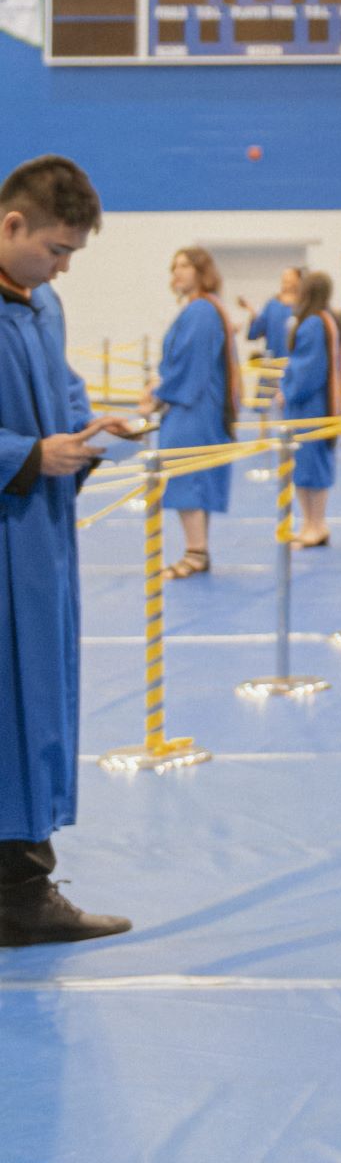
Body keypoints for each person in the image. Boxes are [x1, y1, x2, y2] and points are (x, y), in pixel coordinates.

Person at [0, 155, 138, 949]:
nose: (62, 267)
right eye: (56, 249)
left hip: (41, 544)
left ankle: (22, 876)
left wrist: (91, 428)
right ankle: (18, 893)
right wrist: (23, 455)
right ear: (12, 223)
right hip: (7, 530)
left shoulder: (42, 306)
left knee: (39, 705)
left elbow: (63, 385)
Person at [153, 244, 240, 580]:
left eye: (185, 266)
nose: (177, 272)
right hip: (195, 403)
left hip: (193, 406)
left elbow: (191, 365)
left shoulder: (201, 311)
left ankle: (196, 552)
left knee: (189, 479)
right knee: (191, 480)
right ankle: (197, 548)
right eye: (174, 266)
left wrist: (160, 393)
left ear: (202, 271)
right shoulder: (201, 308)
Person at [281, 270, 341, 546]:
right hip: (314, 403)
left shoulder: (312, 324)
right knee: (304, 466)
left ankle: (317, 523)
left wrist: (288, 389)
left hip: (310, 406)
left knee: (312, 465)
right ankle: (309, 522)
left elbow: (307, 368)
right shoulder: (325, 320)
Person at [242, 265, 301, 360]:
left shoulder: (303, 308)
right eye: (284, 279)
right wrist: (253, 314)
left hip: (294, 365)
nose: (286, 282)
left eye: (289, 279)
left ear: (298, 281)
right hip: (272, 365)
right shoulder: (272, 305)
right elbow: (253, 334)